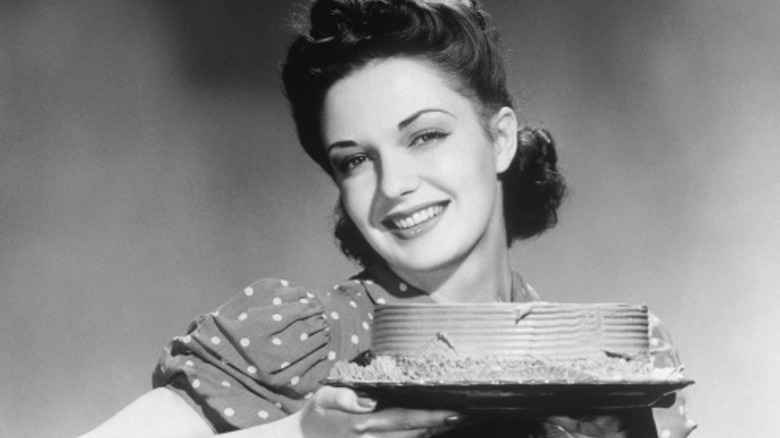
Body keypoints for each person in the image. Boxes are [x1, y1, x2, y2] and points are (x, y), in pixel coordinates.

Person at [78, 0, 695, 437]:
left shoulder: (611, 360)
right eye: (355, 160)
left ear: (501, 139)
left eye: (425, 136)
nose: (394, 185)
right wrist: (301, 435)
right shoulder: (298, 342)